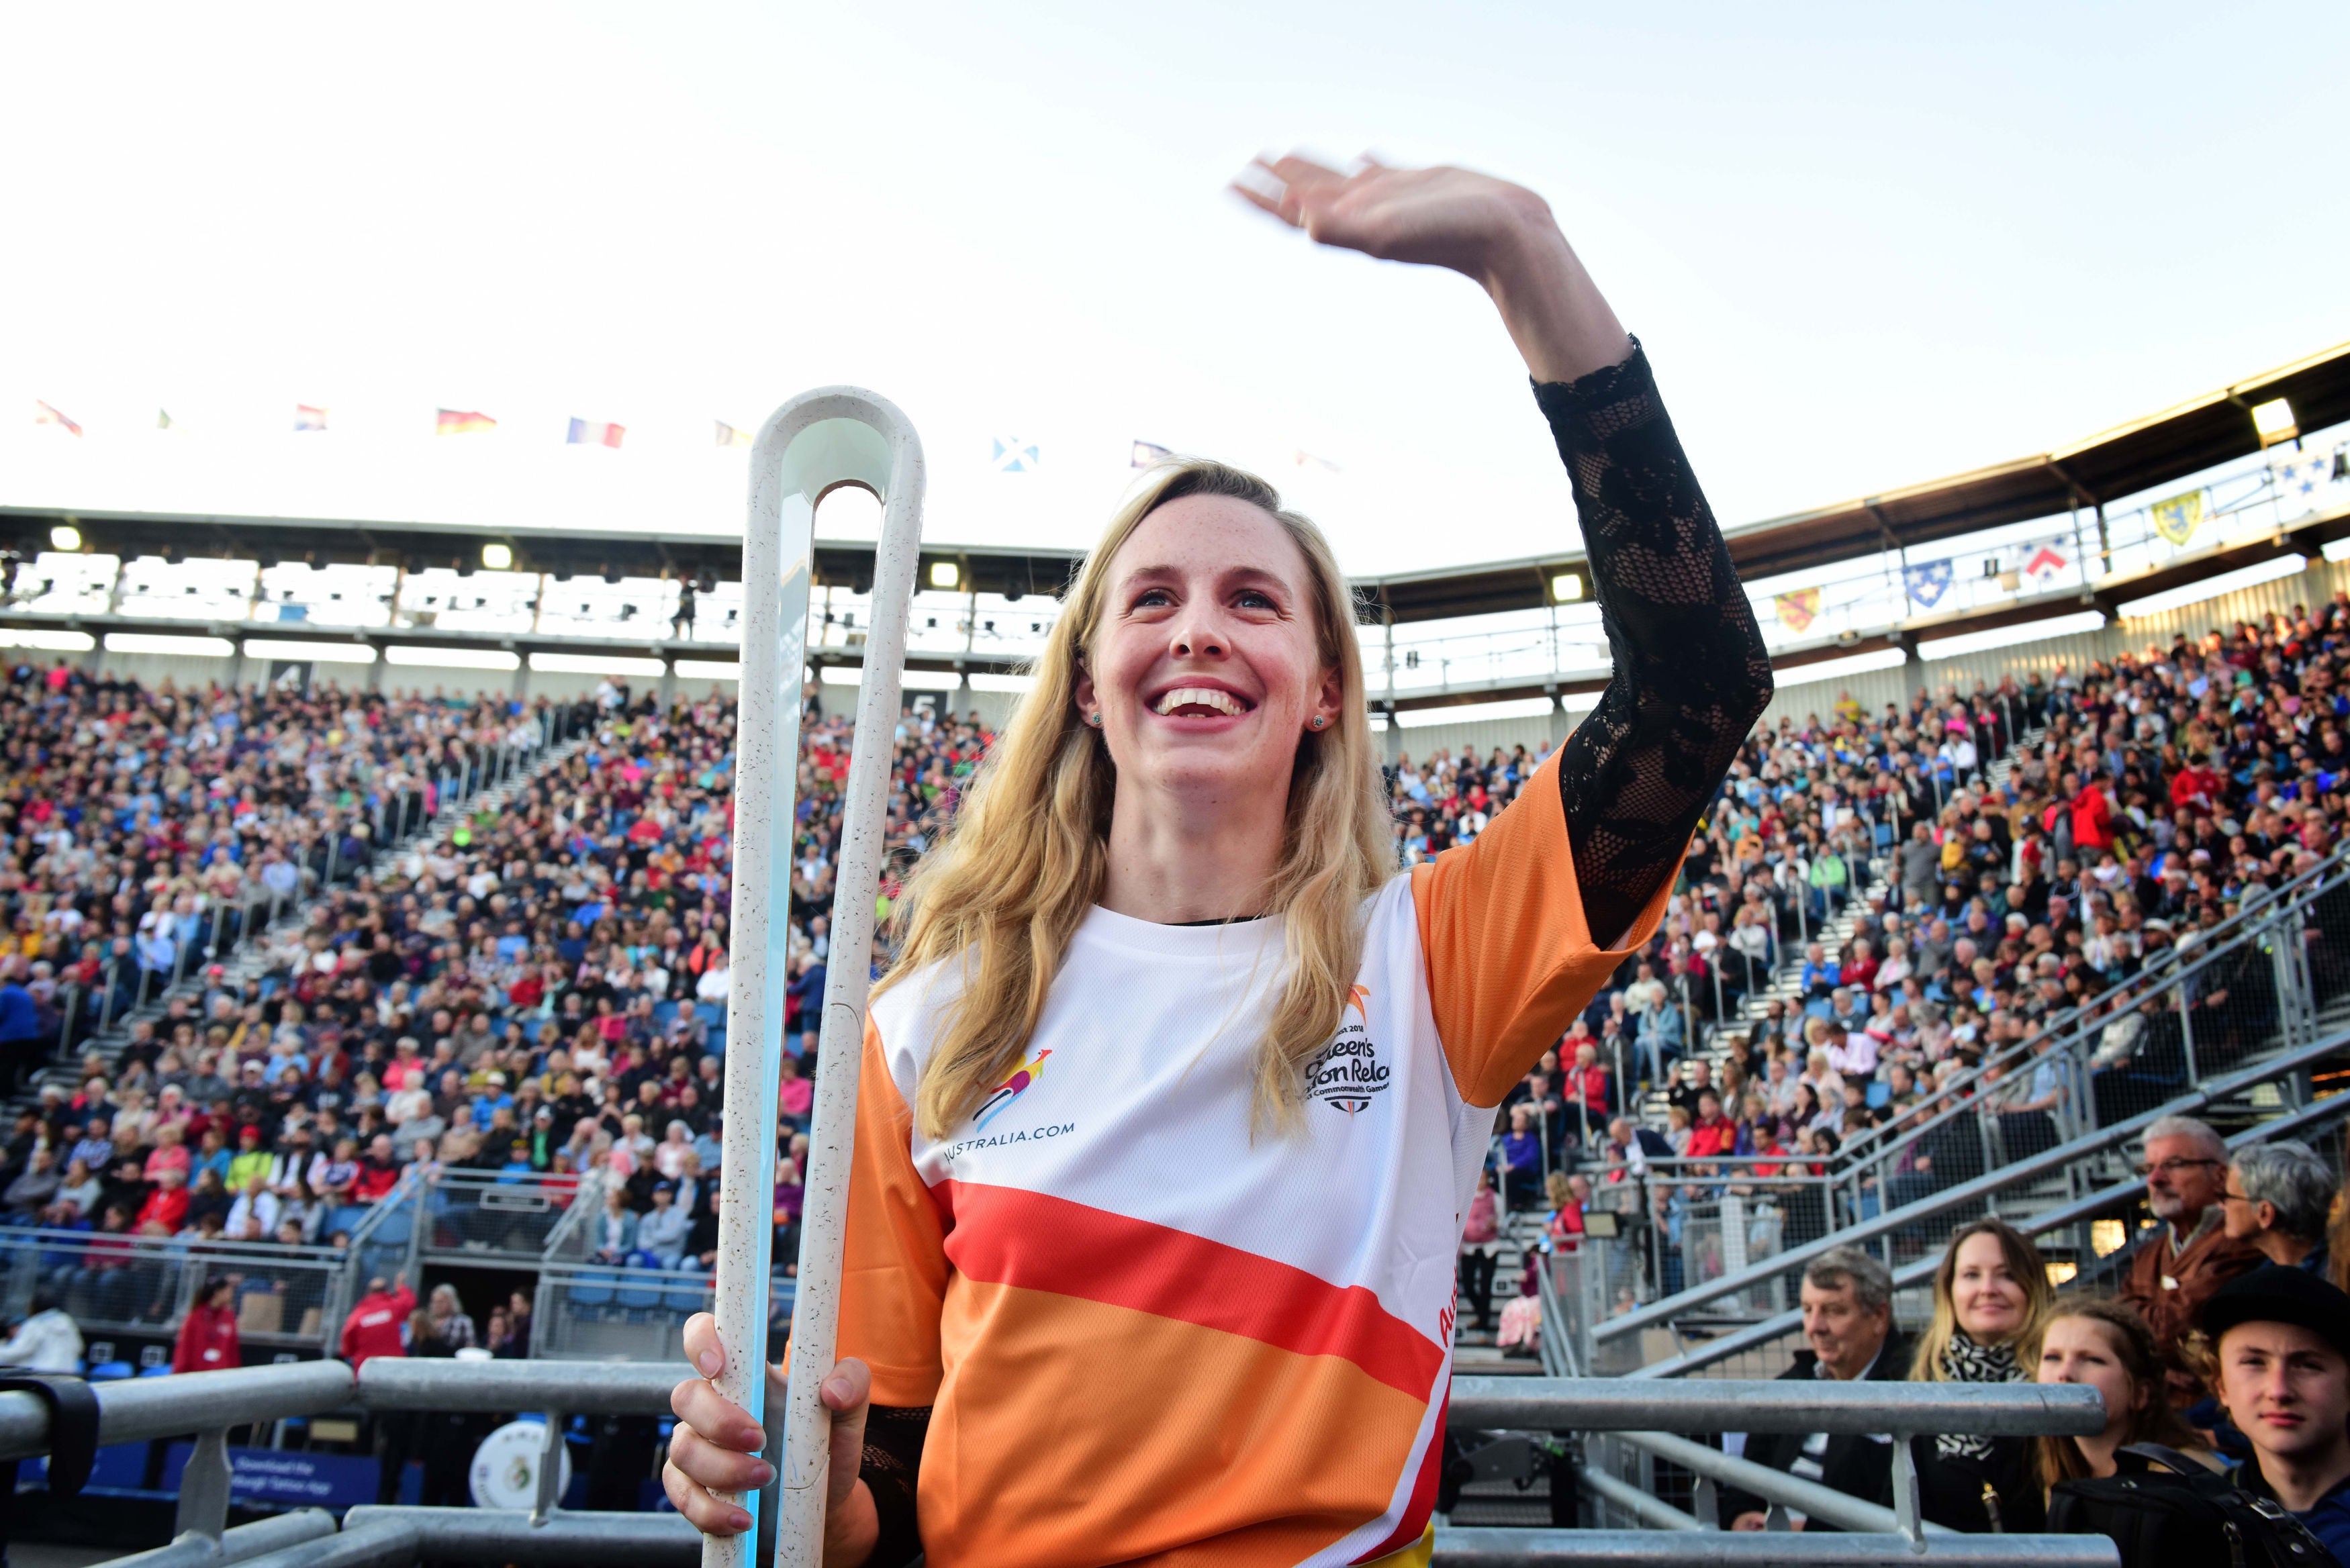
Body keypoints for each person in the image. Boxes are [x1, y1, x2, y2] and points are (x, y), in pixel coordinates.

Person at [663, 150, 1773, 1567]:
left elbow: (1696, 681)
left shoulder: (1429, 963)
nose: (1197, 630)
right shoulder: (920, 1028)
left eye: (1252, 600)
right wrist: (790, 1481)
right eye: (1153, 600)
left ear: (1321, 690)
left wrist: (1520, 247)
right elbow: (883, 1486)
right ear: (1085, 679)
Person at [1725, 1246, 1910, 1531]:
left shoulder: (1915, 1391)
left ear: (1879, 1317)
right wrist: (1741, 1517)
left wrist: (1804, 1534)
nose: (1815, 1327)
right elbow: (1745, 1481)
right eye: (1808, 1310)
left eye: (1834, 1311)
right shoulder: (1790, 1386)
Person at [1905, 1219, 2053, 1532]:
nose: (1988, 1289)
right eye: (1972, 1275)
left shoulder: (2061, 1378)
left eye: (2008, 1275)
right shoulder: (1914, 1381)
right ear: (1949, 1290)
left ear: (2034, 1287)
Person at [2201, 1267, 2350, 1564]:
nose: (2279, 1390)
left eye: (2308, 1365)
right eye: (2254, 1362)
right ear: (2221, 1385)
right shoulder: (2201, 1518)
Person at [2117, 1115, 2263, 1401]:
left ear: (2220, 1176)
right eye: (2149, 1168)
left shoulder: (2242, 1242)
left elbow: (2175, 1331)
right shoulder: (2147, 1253)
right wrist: (2158, 1368)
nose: (2156, 1179)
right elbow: (2114, 1328)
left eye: (2174, 1165)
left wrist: (2138, 1323)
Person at [2032, 1297, 2216, 1494]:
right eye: (2052, 1357)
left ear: (2140, 1393)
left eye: (2092, 1360)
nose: (2065, 1373)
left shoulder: (2180, 1480)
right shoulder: (2051, 1476)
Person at [2222, 1141, 2335, 1278]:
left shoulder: (2336, 1279)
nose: (2221, 1205)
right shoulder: (2269, 1276)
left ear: (2265, 1213)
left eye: (2228, 1197)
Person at [0, 1291, 83, 1373]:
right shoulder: (67, 1321)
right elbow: (79, 1347)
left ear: (35, 1306)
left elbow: (18, 1351)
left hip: (42, 1377)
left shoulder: (35, 1324)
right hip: (67, 1376)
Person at [1459, 1169, 1500, 1333]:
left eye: (1483, 1178)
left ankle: (1484, 1322)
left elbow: (1501, 1222)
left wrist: (1494, 1225)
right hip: (1469, 1247)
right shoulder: (1465, 1198)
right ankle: (1481, 1313)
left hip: (1489, 1247)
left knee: (1485, 1286)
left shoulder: (1495, 1198)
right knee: (1468, 1286)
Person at [173, 1275, 240, 1374]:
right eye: (229, 1292)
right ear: (218, 1292)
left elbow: (233, 1350)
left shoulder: (229, 1317)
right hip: (196, 1375)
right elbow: (185, 1348)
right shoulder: (195, 1317)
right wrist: (179, 1372)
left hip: (222, 1376)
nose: (232, 1295)